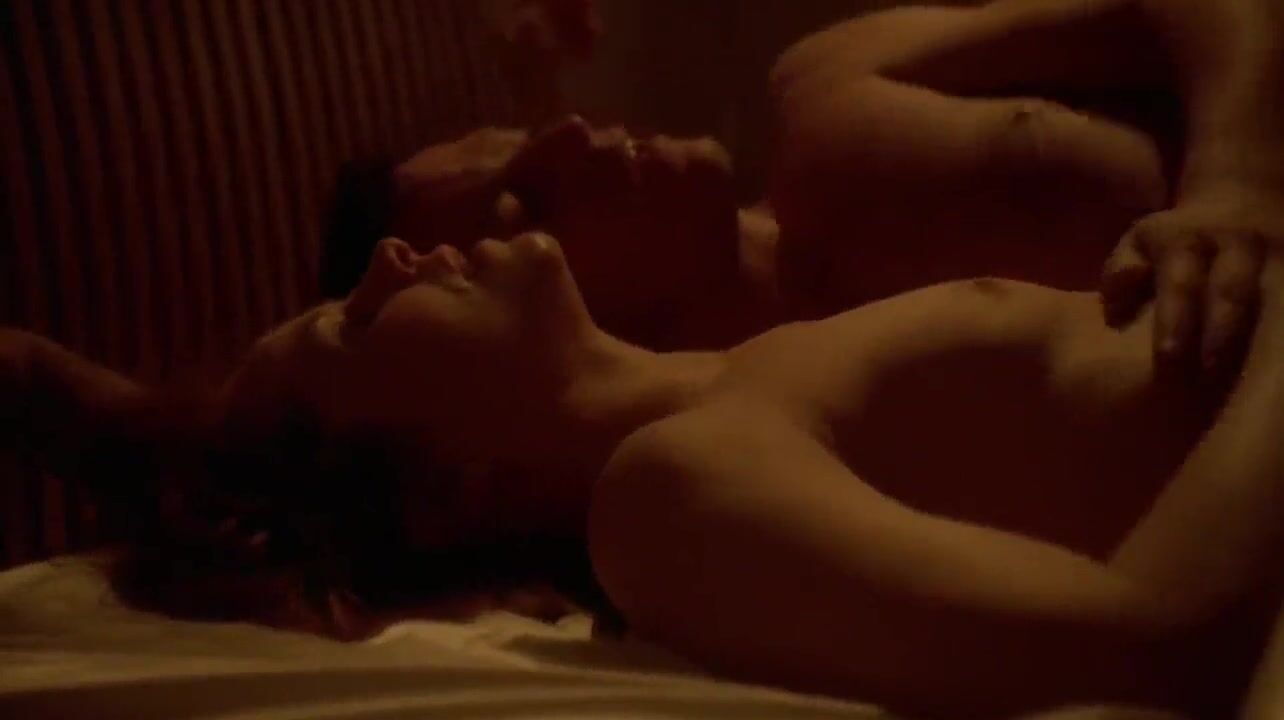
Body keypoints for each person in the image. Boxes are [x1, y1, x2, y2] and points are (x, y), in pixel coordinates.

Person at [5, 225, 1284, 718]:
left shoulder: (734, 376)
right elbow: (1159, 646)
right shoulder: (671, 493)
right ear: (448, 490)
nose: (390, 257)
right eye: (356, 320)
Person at [325, 0, 1284, 367]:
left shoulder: (828, 96)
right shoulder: (768, 453)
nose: (575, 134)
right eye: (525, 200)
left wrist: (1235, 181)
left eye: (529, 135)